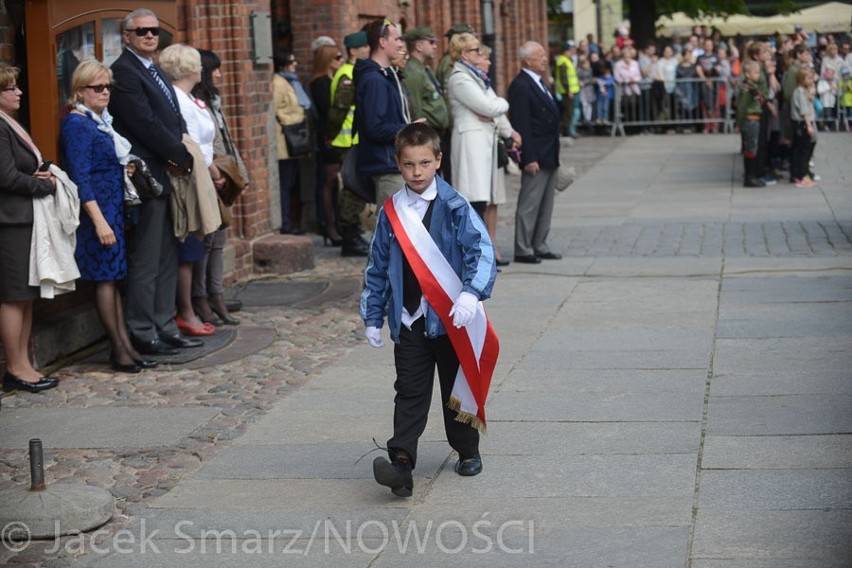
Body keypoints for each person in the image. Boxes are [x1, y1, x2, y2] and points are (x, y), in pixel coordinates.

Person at [361, 123, 498, 497]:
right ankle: (401, 463)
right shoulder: (391, 213)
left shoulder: (455, 207)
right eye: (408, 165)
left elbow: (481, 253)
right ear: (398, 164)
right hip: (409, 319)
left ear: (438, 160)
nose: (417, 172)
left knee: (457, 387)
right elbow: (377, 266)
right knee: (408, 391)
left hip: (451, 317)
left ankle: (467, 448)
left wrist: (471, 294)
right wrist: (373, 316)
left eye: (424, 163)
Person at [108, 8, 202, 357]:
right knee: (147, 257)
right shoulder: (124, 72)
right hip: (148, 174)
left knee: (167, 253)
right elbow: (144, 124)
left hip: (167, 170)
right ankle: (142, 329)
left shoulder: (155, 68)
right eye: (142, 31)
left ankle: (165, 323)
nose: (150, 35)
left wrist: (179, 153)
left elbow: (172, 116)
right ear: (127, 36)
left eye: (154, 30)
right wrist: (181, 154)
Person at [60, 59, 157, 373]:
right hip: (96, 213)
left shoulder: (100, 121)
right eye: (97, 87)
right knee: (104, 279)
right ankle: (118, 351)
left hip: (112, 209)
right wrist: (99, 220)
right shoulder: (77, 124)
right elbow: (80, 176)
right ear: (80, 91)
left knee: (113, 278)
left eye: (107, 87)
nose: (105, 92)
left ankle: (125, 346)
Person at [0, 63, 60, 395]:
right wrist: (45, 187)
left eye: (17, 86)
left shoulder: (10, 124)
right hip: (9, 222)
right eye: (10, 88)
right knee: (14, 296)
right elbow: (6, 177)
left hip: (24, 220)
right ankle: (15, 368)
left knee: (27, 297)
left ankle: (24, 365)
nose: (19, 92)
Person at [190, 49, 247, 327]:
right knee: (208, 240)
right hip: (207, 175)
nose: (220, 75)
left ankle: (216, 293)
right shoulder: (195, 103)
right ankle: (200, 296)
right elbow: (204, 144)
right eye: (216, 69)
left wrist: (237, 172)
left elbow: (225, 139)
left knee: (219, 240)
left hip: (221, 174)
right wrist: (214, 171)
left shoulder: (213, 101)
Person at [507, 41, 562, 264]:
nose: (545, 59)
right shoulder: (520, 85)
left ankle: (539, 243)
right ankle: (523, 247)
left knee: (545, 203)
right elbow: (522, 125)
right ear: (528, 60)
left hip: (549, 152)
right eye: (540, 56)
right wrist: (528, 157)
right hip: (535, 154)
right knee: (529, 203)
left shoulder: (539, 82)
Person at [353, 17, 416, 206]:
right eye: (397, 39)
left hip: (394, 163)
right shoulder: (375, 80)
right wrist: (409, 130)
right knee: (393, 231)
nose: (401, 44)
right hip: (386, 166)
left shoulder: (386, 76)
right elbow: (375, 128)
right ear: (382, 42)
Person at [476, 44, 521, 268]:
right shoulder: (470, 81)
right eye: (485, 58)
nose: (489, 62)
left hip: (493, 146)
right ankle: (485, 248)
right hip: (479, 148)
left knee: (494, 200)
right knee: (482, 200)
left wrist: (509, 132)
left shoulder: (485, 82)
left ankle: (492, 243)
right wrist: (497, 107)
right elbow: (492, 107)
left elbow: (497, 111)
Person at [330, 31, 371, 257]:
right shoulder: (348, 74)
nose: (367, 49)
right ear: (353, 51)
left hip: (354, 140)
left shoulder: (356, 71)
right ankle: (350, 237)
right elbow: (339, 112)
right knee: (351, 189)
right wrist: (330, 136)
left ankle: (353, 233)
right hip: (347, 141)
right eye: (363, 47)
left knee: (354, 187)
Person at [310, 44, 345, 246]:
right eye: (336, 58)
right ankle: (330, 227)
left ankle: (337, 225)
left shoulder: (331, 80)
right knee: (330, 181)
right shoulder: (320, 82)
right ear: (327, 60)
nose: (340, 61)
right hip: (328, 137)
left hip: (336, 136)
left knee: (336, 182)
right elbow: (327, 111)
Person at [273, 48, 309, 235]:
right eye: (291, 61)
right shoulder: (278, 83)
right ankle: (285, 223)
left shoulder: (291, 81)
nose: (295, 64)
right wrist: (290, 121)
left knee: (291, 183)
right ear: (283, 63)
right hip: (284, 141)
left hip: (293, 141)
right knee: (285, 185)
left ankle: (289, 221)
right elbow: (274, 109)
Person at [402, 27, 450, 143]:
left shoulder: (424, 69)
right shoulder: (413, 72)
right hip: (427, 135)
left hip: (436, 134)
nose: (435, 46)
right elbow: (415, 107)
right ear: (419, 46)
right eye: (431, 42)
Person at [736, 60, 768, 188]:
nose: (758, 75)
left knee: (753, 148)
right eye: (755, 73)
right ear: (747, 74)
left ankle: (752, 175)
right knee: (750, 148)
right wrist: (738, 123)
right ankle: (749, 177)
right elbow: (742, 107)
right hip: (749, 119)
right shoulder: (747, 88)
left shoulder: (753, 87)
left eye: (759, 72)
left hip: (754, 119)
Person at [790, 67, 818, 188]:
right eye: (809, 78)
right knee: (802, 150)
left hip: (800, 123)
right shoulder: (800, 91)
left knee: (798, 149)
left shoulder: (803, 90)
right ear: (802, 79)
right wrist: (808, 125)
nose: (811, 80)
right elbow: (804, 110)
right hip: (802, 123)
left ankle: (798, 174)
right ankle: (801, 176)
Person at [554, 40, 580, 137]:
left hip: (571, 91)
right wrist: (568, 90)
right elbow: (564, 78)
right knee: (567, 113)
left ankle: (565, 131)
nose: (574, 50)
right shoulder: (563, 61)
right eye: (572, 48)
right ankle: (564, 132)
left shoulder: (568, 60)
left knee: (569, 112)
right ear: (567, 50)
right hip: (566, 92)